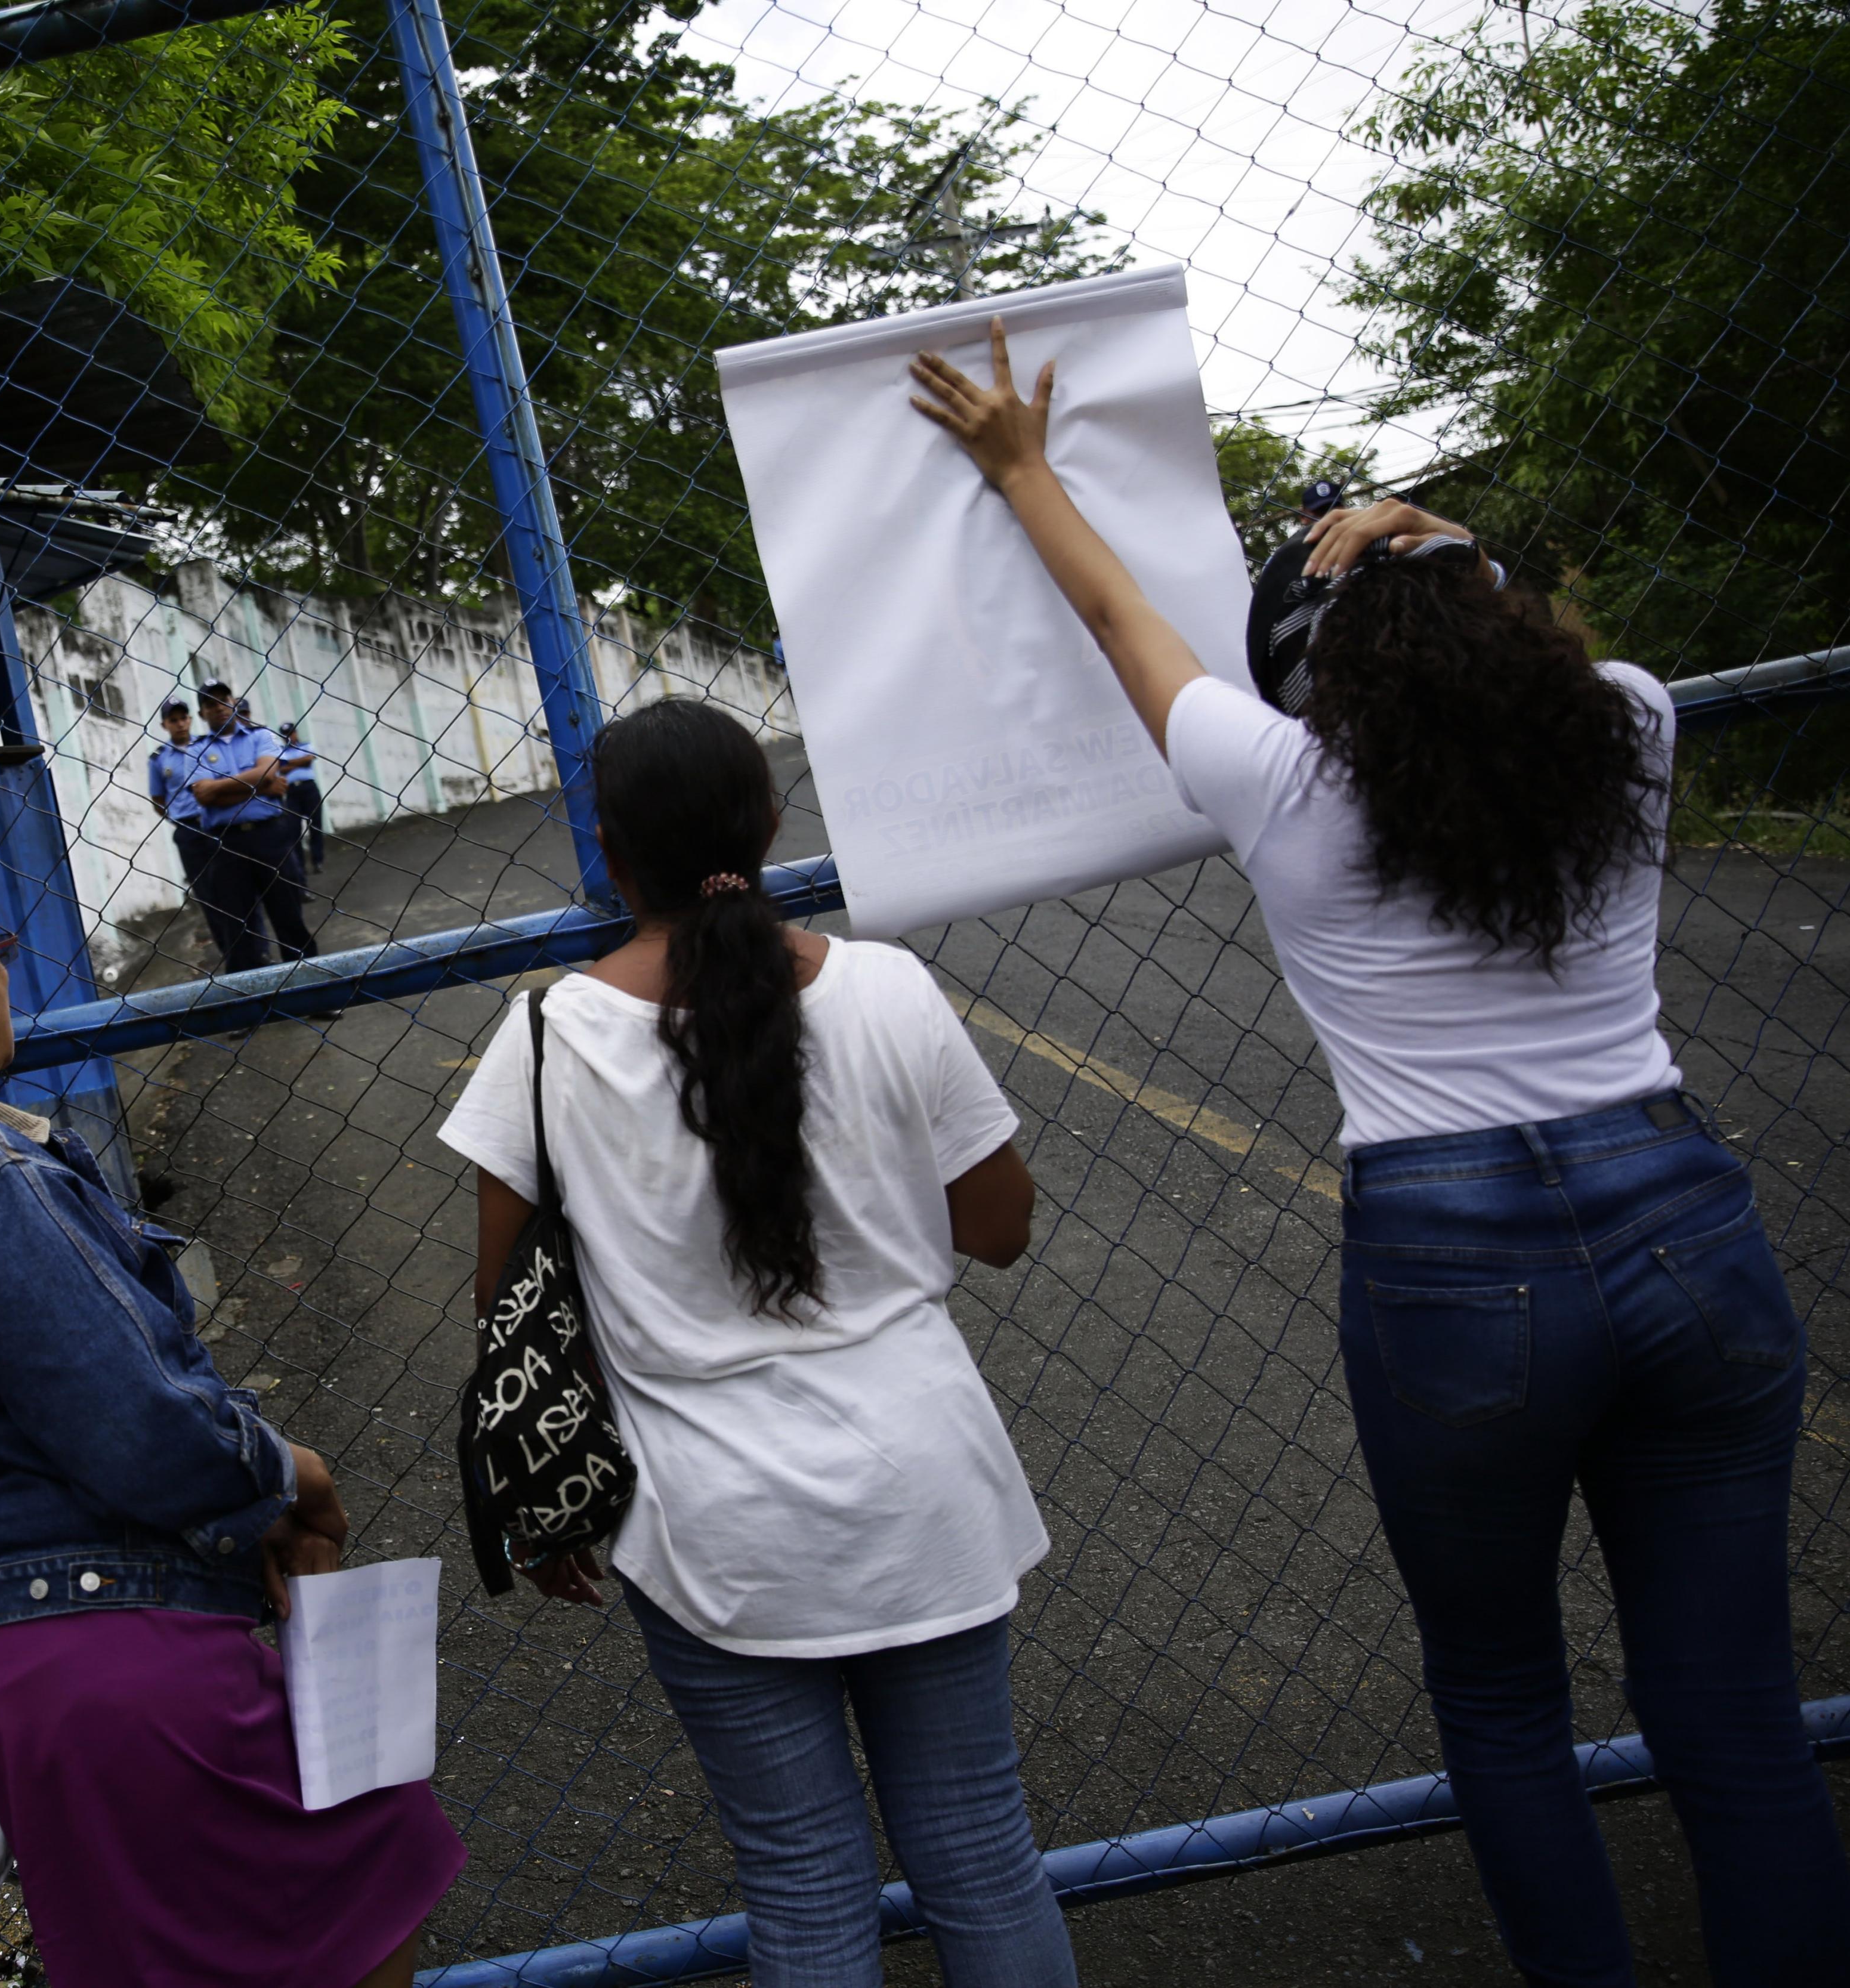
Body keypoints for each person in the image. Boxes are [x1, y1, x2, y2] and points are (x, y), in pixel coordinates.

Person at [912, 321, 1850, 1985]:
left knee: (1501, 1692)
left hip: (1450, 1252)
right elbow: (1519, 621)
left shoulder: (1278, 783)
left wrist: (1019, 466)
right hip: (1682, 1216)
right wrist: (1419, 517)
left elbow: (1122, 617)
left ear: (1318, 674)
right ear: (1494, 609)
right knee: (1734, 1706)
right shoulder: (1629, 726)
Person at [436, 698, 1071, 1988]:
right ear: (772, 824)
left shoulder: (548, 1036)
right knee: (980, 1852)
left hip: (711, 1523)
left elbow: (505, 1297)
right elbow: (999, 1226)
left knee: (801, 1877)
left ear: (609, 853)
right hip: (926, 1489)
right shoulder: (887, 988)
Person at [0, 846, 461, 1986]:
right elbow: (143, 1427)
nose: (2, 974)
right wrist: (290, 1472)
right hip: (114, 1656)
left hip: (25, 1661)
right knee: (369, 1884)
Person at [186, 679, 317, 969]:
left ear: (234, 703)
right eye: (210, 704)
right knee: (238, 926)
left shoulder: (262, 736)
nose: (218, 708)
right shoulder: (196, 750)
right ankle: (251, 1001)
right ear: (202, 714)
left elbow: (269, 773)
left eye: (223, 700)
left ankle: (313, 988)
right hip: (227, 843)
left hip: (270, 837)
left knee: (288, 916)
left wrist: (221, 786)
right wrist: (259, 786)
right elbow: (205, 797)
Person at [147, 697, 240, 961]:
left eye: (183, 718)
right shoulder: (158, 759)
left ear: (191, 719)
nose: (180, 724)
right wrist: (179, 818)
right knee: (208, 896)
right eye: (173, 720)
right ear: (165, 725)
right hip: (189, 831)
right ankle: (231, 954)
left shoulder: (208, 746)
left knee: (235, 888)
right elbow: (158, 800)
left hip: (218, 825)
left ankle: (254, 949)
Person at [277, 721, 327, 877]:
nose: (290, 737)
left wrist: (289, 764)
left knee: (315, 826)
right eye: (286, 735)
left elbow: (309, 759)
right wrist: (299, 762)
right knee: (294, 830)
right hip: (292, 792)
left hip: (309, 789)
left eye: (291, 733)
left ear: (296, 733)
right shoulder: (280, 751)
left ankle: (317, 861)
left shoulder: (306, 746)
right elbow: (280, 768)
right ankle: (300, 866)